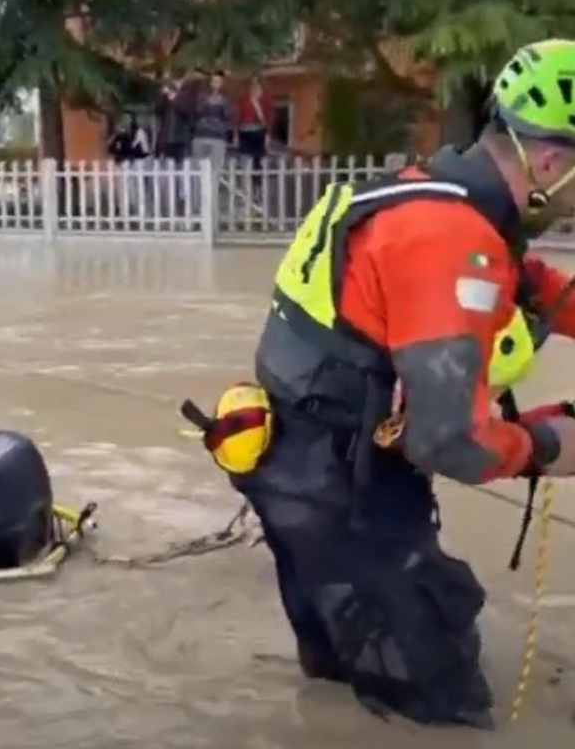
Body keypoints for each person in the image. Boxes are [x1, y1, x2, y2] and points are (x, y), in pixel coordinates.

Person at [194, 38, 575, 729]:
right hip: (340, 489)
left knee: (341, 670)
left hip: (307, 467)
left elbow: (543, 291)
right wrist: (550, 443)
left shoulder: (435, 194)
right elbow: (448, 442)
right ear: (549, 162)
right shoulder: (451, 240)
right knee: (445, 708)